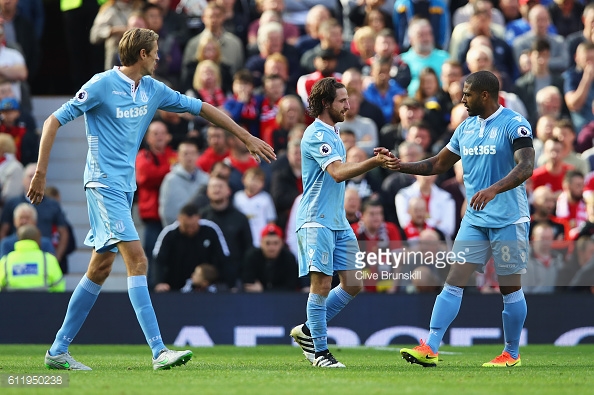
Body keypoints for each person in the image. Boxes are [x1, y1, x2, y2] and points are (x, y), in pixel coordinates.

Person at [27, 28, 275, 371]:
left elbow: (203, 108)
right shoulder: (101, 84)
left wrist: (245, 136)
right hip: (102, 184)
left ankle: (57, 350)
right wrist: (41, 173)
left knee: (99, 268)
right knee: (138, 260)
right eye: (156, 52)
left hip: (125, 188)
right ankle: (159, 351)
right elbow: (54, 120)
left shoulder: (153, 90)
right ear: (142, 54)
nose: (160, 58)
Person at [398, 70, 534, 368]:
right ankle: (431, 345)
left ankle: (511, 353)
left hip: (509, 219)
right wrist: (400, 166)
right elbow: (438, 164)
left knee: (509, 287)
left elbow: (526, 167)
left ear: (485, 95)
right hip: (475, 220)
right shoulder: (465, 128)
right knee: (454, 280)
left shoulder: (514, 124)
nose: (462, 99)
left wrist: (494, 189)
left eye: (467, 94)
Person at [289, 77, 397, 368]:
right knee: (321, 284)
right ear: (325, 103)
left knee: (353, 283)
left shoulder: (335, 133)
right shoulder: (315, 134)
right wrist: (373, 163)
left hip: (337, 220)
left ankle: (310, 331)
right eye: (342, 101)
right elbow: (337, 172)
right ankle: (320, 353)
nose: (348, 105)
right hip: (316, 220)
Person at [153, 203, 227, 292]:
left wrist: (227, 283)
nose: (190, 229)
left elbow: (223, 257)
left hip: (206, 288)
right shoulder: (169, 234)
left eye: (193, 226)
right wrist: (159, 282)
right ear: (179, 219)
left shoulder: (210, 230)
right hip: (174, 286)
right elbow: (158, 260)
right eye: (186, 226)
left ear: (199, 218)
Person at [0, 224, 65, 292]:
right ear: (38, 240)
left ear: (19, 239)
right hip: (43, 301)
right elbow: (59, 287)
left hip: (10, 302)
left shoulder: (5, 260)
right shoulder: (49, 259)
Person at [242, 223, 300, 292]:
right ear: (261, 243)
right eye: (268, 243)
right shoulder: (252, 257)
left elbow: (291, 286)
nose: (271, 248)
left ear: (282, 243)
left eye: (275, 243)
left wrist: (263, 290)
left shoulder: (289, 258)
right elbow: (248, 283)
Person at [233, 166, 276, 247]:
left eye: (259, 180)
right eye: (252, 179)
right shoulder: (237, 197)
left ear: (263, 184)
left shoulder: (266, 199)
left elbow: (271, 221)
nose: (255, 183)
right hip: (240, 240)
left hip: (259, 241)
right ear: (243, 179)